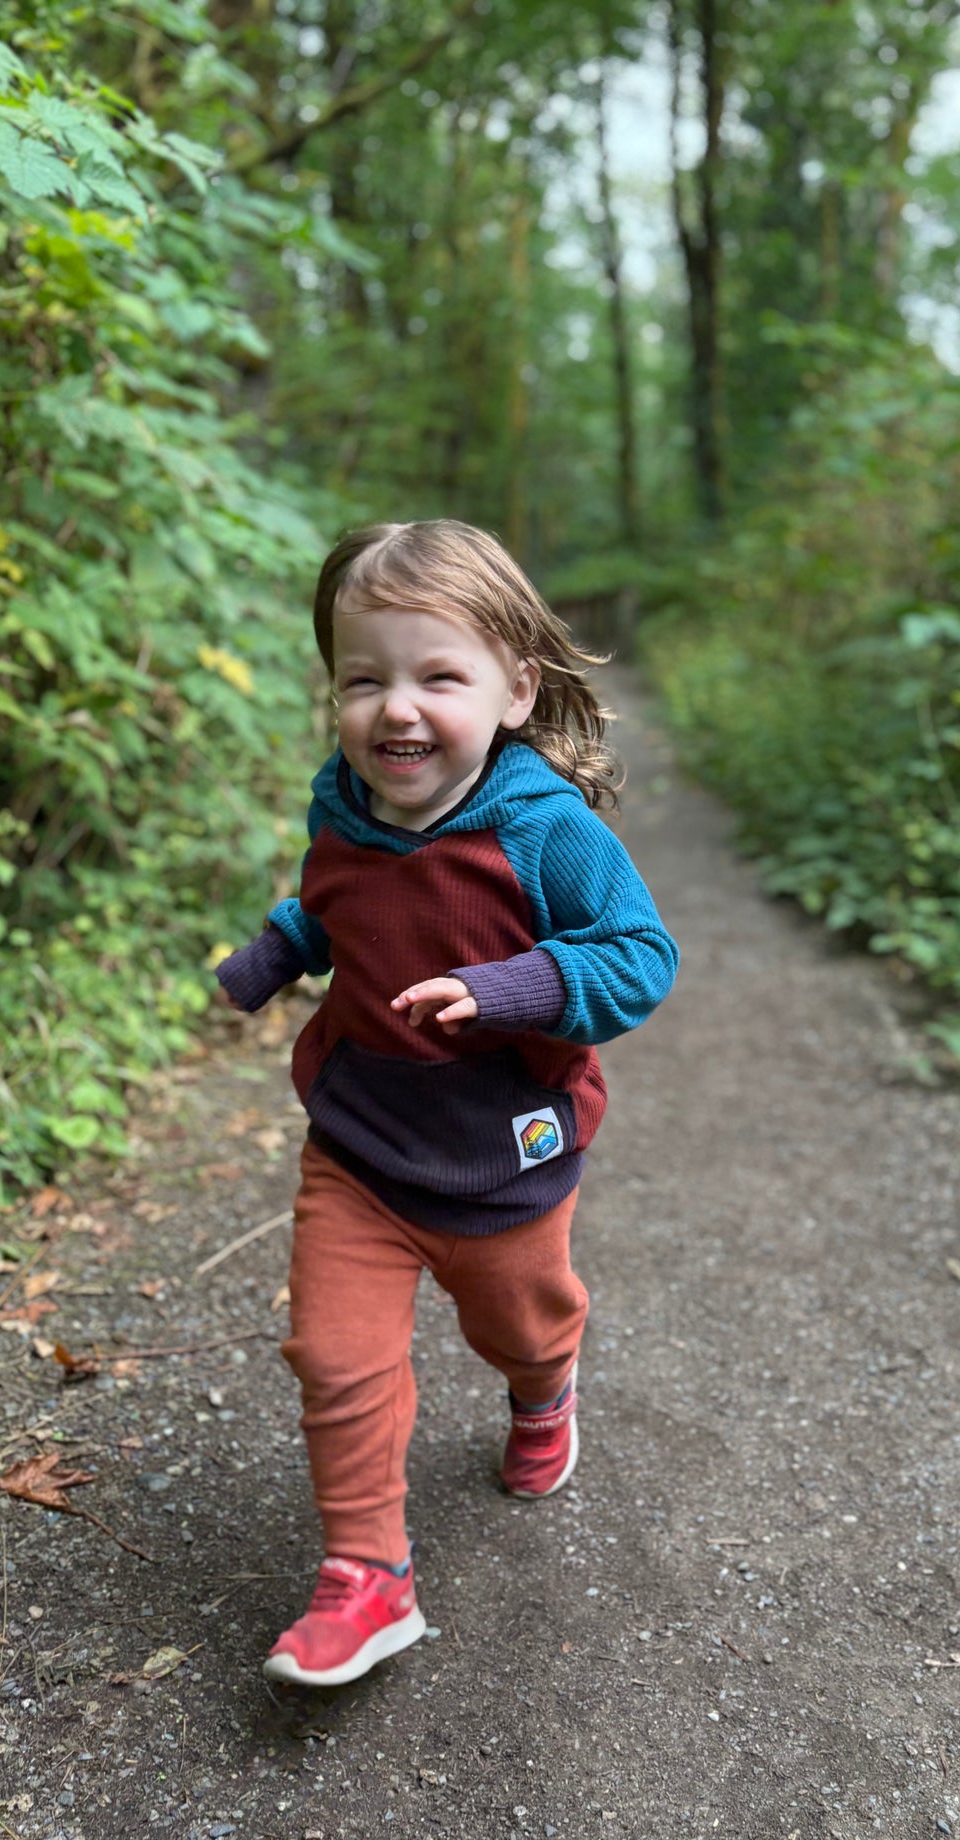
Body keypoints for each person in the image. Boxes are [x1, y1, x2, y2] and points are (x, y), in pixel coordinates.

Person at [215, 519, 678, 1688]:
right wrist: (277, 952)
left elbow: (639, 954)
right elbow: (341, 902)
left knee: (514, 1323)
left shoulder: (542, 832)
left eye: (437, 676)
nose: (395, 709)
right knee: (333, 1350)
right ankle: (365, 1577)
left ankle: (543, 1388)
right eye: (362, 679)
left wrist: (515, 985)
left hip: (498, 1147)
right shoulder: (346, 803)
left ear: (515, 690)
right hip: (362, 1137)